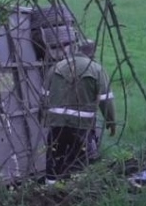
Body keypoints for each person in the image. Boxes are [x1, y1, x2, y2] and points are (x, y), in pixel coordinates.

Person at [43, 40, 117, 184]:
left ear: (77, 49)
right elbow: (105, 100)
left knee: (54, 157)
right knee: (80, 161)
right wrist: (111, 122)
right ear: (93, 52)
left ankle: (48, 192)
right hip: (81, 126)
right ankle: (75, 193)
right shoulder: (97, 70)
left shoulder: (56, 67)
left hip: (57, 124)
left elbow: (44, 95)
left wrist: (44, 117)